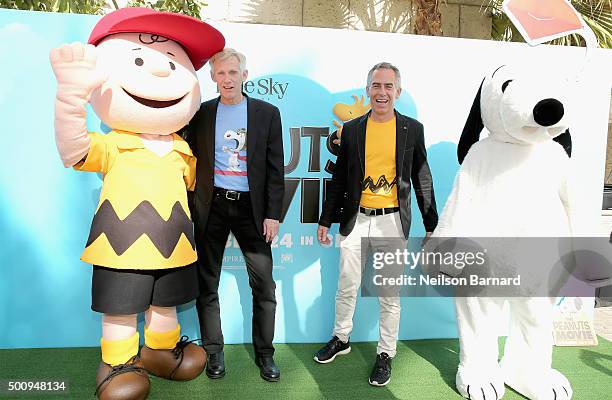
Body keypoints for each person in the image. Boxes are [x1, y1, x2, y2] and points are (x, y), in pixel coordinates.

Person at [315, 62, 438, 386]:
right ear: (368, 89)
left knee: (389, 293)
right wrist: (326, 219)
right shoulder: (353, 129)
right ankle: (341, 338)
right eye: (376, 86)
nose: (381, 92)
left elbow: (422, 176)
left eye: (388, 87)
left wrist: (431, 223)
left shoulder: (412, 129)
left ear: (397, 92)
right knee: (347, 285)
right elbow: (340, 179)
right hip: (356, 221)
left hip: (392, 224)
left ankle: (385, 353)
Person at [185, 48, 285, 382]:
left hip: (252, 210)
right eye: (220, 74)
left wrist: (273, 214)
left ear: (244, 75)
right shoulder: (200, 114)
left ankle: (265, 355)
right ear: (212, 77)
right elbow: (187, 159)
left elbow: (274, 171)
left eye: (233, 73)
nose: (227, 80)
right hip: (211, 208)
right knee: (206, 284)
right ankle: (214, 354)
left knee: (264, 287)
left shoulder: (267, 114)